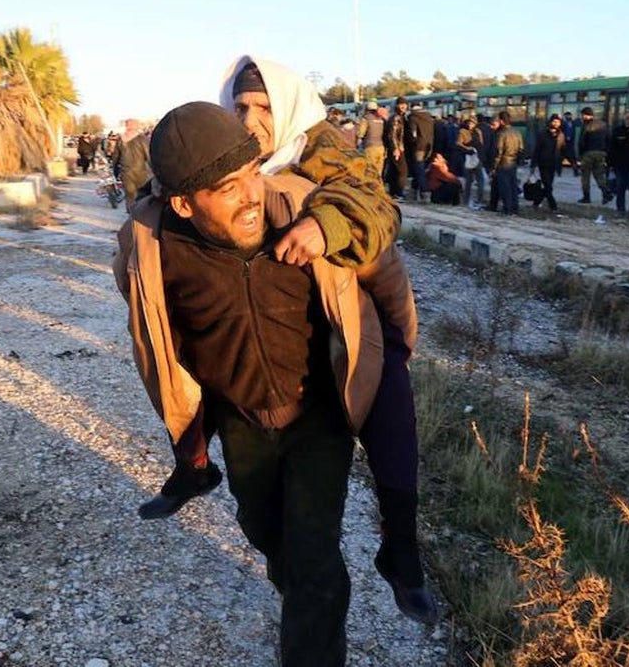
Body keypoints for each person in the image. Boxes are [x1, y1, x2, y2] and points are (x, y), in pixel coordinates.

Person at [138, 56, 438, 624]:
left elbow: (376, 207)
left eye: (263, 107)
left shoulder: (321, 152)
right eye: (240, 106)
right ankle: (195, 470)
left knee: (393, 430)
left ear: (289, 108)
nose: (250, 120)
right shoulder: (215, 159)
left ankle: (401, 553)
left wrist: (325, 226)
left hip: (347, 329)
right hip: (248, 387)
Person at [115, 101, 387, 665]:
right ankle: (308, 598)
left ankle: (314, 630)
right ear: (185, 204)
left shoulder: (295, 209)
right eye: (227, 189)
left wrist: (329, 225)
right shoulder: (155, 248)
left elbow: (380, 211)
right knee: (266, 535)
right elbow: (153, 321)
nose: (249, 198)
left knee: (314, 557)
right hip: (242, 421)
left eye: (250, 177)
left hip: (317, 418)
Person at [115, 118, 152, 213]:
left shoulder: (121, 140)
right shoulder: (142, 139)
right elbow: (148, 155)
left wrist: (115, 170)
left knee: (129, 196)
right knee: (141, 194)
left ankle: (131, 216)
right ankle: (140, 216)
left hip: (125, 171)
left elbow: (115, 157)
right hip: (141, 171)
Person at [492, 111, 524, 216]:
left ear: (501, 121)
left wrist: (494, 167)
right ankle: (515, 208)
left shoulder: (501, 134)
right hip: (513, 163)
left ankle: (507, 209)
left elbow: (498, 152)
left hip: (503, 163)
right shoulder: (517, 132)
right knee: (513, 186)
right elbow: (521, 149)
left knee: (505, 188)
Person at [530, 114, 563, 211]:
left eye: (557, 122)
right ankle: (553, 205)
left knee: (549, 185)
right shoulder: (543, 134)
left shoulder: (561, 135)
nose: (555, 124)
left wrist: (573, 162)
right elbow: (537, 150)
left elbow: (564, 149)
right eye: (554, 121)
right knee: (548, 185)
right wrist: (533, 164)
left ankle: (537, 201)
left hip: (554, 164)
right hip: (543, 163)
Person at [576, 107, 609, 204]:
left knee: (585, 176)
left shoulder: (586, 125)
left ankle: (586, 197)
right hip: (601, 153)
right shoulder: (603, 124)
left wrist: (580, 155)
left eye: (582, 115)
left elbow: (581, 141)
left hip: (588, 153)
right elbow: (608, 138)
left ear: (586, 115)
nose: (582, 117)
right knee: (599, 175)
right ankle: (606, 193)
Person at [406, 105, 436, 200]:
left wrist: (411, 143)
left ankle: (425, 192)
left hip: (418, 147)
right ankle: (413, 192)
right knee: (418, 169)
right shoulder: (429, 119)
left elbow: (413, 134)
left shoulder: (413, 118)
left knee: (419, 170)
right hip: (428, 147)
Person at [384, 96, 410, 199]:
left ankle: (393, 192)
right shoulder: (396, 118)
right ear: (397, 105)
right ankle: (399, 193)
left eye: (405, 104)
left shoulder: (402, 117)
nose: (403, 106)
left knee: (394, 171)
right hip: (398, 148)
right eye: (401, 104)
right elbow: (392, 134)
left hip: (399, 147)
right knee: (402, 171)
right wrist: (395, 148)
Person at [355, 101, 387, 179]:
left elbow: (361, 133)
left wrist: (357, 142)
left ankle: (371, 188)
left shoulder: (366, 119)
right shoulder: (382, 119)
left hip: (370, 148)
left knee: (370, 171)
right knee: (379, 172)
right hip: (381, 148)